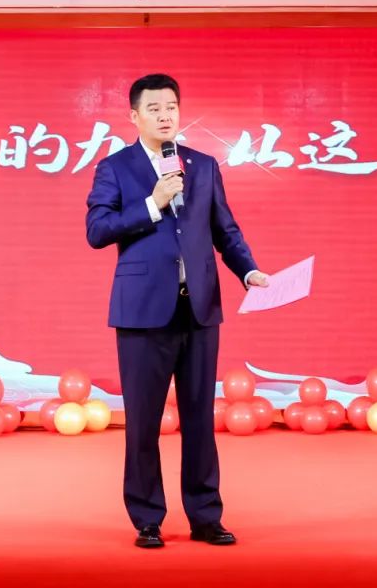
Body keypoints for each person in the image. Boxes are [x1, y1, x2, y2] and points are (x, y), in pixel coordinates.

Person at [86, 73, 268, 548]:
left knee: (200, 420)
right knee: (144, 422)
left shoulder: (202, 166)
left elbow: (225, 230)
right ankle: (147, 518)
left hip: (200, 309)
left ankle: (206, 516)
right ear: (134, 116)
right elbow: (97, 230)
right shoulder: (115, 168)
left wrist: (248, 271)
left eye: (171, 107)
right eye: (154, 109)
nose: (165, 116)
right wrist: (153, 204)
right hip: (143, 313)